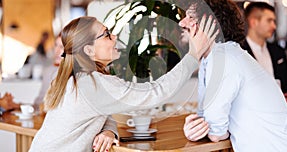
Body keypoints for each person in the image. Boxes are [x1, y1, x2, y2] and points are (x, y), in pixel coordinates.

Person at [29, 16, 217, 152]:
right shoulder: (94, 84)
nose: (115, 38)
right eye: (106, 34)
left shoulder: (72, 77)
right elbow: (155, 92)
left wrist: (109, 131)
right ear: (89, 50)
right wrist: (194, 55)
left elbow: (100, 110)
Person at [180, 0, 287, 151]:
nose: (182, 23)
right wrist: (196, 126)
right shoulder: (214, 58)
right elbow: (205, 119)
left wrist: (201, 128)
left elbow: (216, 132)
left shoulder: (224, 57)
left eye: (191, 18)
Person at [32, 33, 120, 152]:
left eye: (62, 47)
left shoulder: (89, 79)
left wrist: (109, 132)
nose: (59, 51)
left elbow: (102, 113)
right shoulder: (78, 81)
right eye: (56, 45)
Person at [241, 1, 287, 106]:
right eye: (269, 21)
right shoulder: (240, 52)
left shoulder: (278, 51)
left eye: (274, 21)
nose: (274, 26)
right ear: (253, 22)